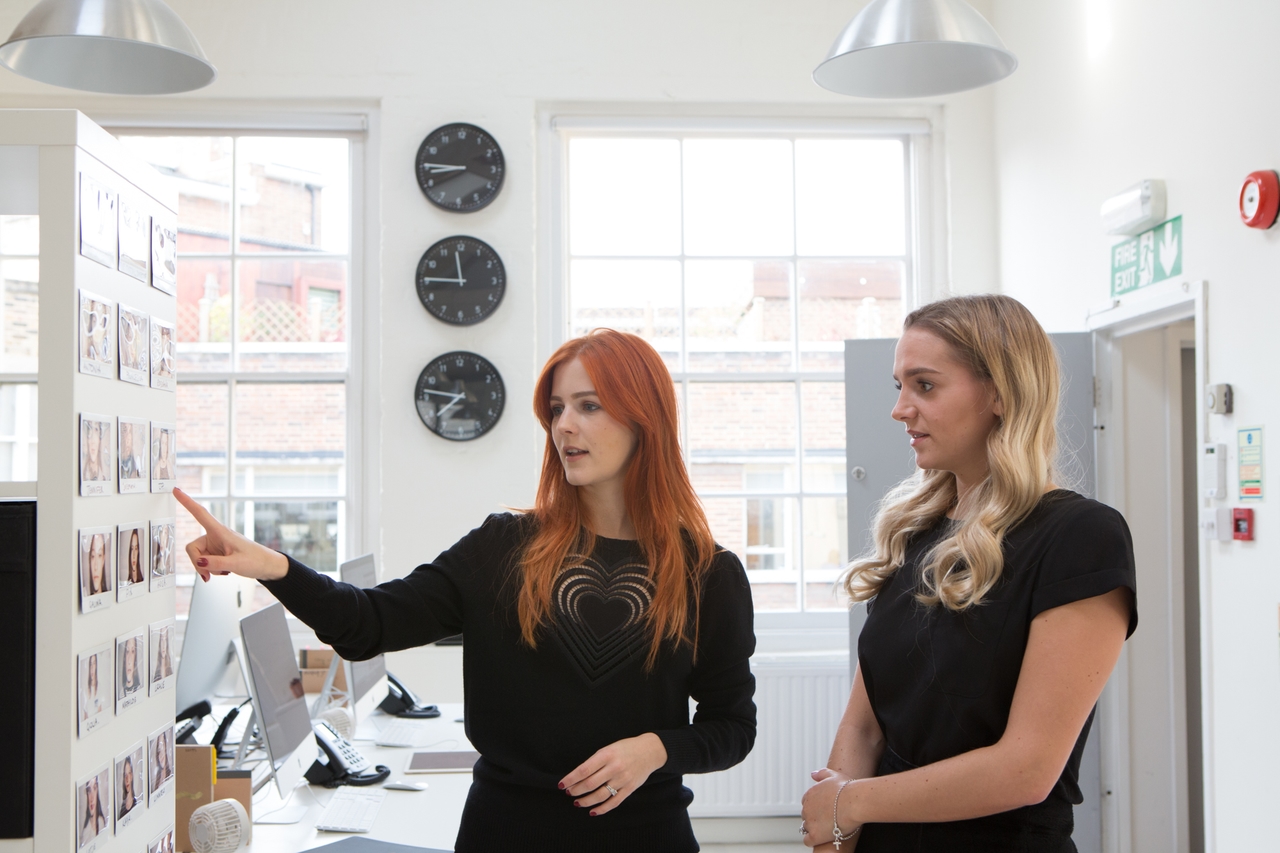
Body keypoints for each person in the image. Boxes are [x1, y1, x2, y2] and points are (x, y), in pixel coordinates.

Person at [176, 329, 757, 852]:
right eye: (557, 408)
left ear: (644, 419)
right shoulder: (503, 548)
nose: (564, 426)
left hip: (647, 836)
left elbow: (732, 726)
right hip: (503, 834)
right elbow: (368, 624)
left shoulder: (709, 573)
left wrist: (657, 749)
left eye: (589, 406)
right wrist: (273, 566)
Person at [799, 295, 1137, 852]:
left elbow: (1027, 768)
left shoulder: (1081, 536)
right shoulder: (914, 532)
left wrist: (851, 802)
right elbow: (864, 726)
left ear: (1001, 394)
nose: (900, 409)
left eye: (925, 386)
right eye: (899, 386)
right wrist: (835, 839)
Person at [79, 775, 107, 847]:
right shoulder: (85, 832)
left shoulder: (101, 823)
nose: (92, 797)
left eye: (94, 788)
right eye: (89, 791)